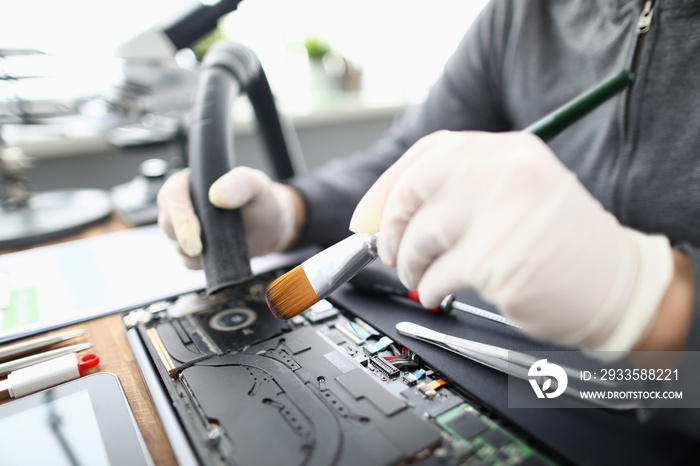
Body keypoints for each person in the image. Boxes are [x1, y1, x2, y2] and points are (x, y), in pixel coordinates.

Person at [158, 0, 700, 435]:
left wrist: (648, 302)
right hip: (541, 385)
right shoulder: (524, 13)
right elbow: (402, 163)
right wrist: (287, 211)